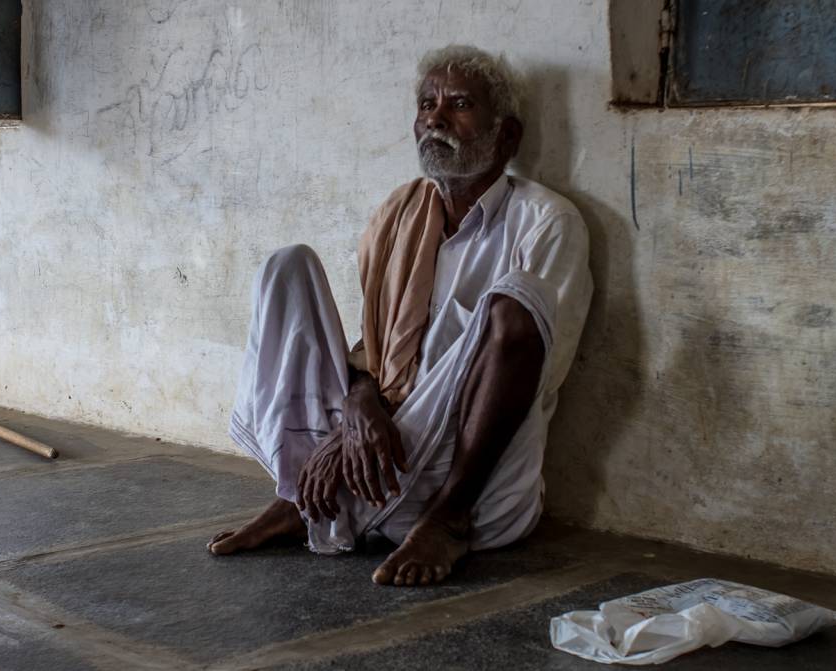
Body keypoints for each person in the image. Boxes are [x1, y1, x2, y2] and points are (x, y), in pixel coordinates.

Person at [208, 45, 592, 586]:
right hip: (378, 449)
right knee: (285, 268)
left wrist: (377, 424)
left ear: (507, 137)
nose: (436, 117)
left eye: (459, 104)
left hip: (468, 476)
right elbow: (378, 353)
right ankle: (302, 496)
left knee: (514, 299)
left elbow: (534, 366)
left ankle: (443, 521)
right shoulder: (400, 213)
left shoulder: (546, 222)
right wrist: (360, 404)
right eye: (426, 104)